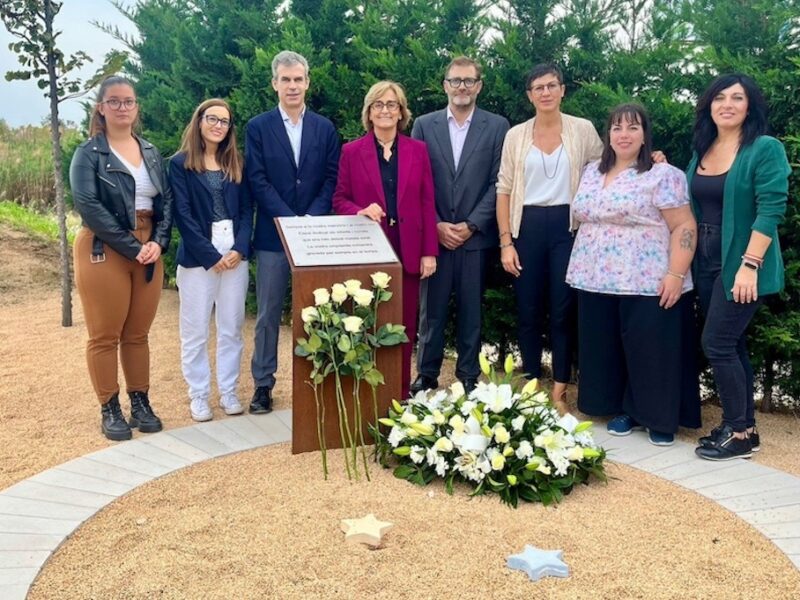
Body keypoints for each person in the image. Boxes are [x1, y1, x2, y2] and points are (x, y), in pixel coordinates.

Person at [565, 103, 700, 446]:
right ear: (608, 135)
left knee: (650, 347)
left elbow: (684, 224)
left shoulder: (663, 174)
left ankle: (656, 416)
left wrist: (676, 272)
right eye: (617, 128)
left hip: (647, 276)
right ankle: (620, 408)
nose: (624, 135)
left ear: (645, 135)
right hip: (594, 276)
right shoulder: (591, 171)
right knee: (608, 346)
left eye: (632, 128)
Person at [690, 74, 790, 461]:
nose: (727, 104)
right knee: (732, 343)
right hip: (706, 260)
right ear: (709, 105)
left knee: (716, 342)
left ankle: (739, 432)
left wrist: (749, 266)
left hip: (742, 260)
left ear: (750, 107)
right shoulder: (704, 147)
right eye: (720, 97)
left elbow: (771, 209)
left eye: (737, 98)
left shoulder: (764, 148)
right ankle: (743, 425)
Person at [495, 63, 603, 412]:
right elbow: (504, 190)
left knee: (561, 310)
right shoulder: (516, 135)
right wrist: (506, 242)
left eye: (551, 85)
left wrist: (653, 159)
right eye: (538, 87)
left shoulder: (582, 130)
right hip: (525, 226)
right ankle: (529, 384)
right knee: (527, 310)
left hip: (566, 227)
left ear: (562, 90)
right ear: (529, 95)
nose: (545, 92)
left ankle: (559, 388)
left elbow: (607, 168)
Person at [70, 75, 172, 441]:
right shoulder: (88, 154)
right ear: (101, 107)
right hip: (105, 246)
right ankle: (109, 407)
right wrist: (133, 248)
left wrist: (158, 241)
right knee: (104, 334)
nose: (122, 107)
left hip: (149, 246)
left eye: (128, 101)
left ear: (136, 107)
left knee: (138, 333)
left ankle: (140, 401)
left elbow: (166, 201)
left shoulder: (150, 151)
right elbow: (89, 206)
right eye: (114, 101)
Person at [247, 50, 340, 414]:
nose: (292, 86)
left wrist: (310, 220)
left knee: (316, 312)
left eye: (298, 79)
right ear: (274, 84)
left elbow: (332, 177)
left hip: (315, 236)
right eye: (285, 79)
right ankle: (263, 385)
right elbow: (257, 179)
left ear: (307, 82)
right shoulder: (258, 127)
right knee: (269, 313)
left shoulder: (324, 128)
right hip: (273, 236)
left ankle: (317, 380)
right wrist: (289, 221)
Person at [410, 56, 509, 396]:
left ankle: (468, 375)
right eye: (456, 81)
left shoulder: (497, 126)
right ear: (445, 86)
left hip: (475, 238)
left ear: (479, 85)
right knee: (431, 313)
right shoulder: (424, 125)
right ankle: (426, 374)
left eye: (469, 81)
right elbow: (417, 180)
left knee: (471, 312)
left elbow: (499, 181)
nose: (462, 87)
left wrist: (471, 224)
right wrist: (435, 223)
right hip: (433, 238)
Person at [333, 80, 438, 399]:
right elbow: (338, 199)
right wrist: (360, 209)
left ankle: (401, 392)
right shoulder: (351, 151)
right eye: (378, 105)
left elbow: (426, 201)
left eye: (392, 105)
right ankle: (366, 393)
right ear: (369, 111)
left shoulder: (417, 150)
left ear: (401, 112)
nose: (385, 110)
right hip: (370, 248)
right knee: (367, 322)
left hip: (408, 250)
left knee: (404, 324)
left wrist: (428, 252)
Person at [170, 99, 252, 422]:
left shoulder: (236, 162)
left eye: (225, 121)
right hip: (197, 257)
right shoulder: (180, 164)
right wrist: (209, 255)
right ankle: (199, 395)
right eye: (212, 119)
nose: (218, 125)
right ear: (200, 121)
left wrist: (239, 248)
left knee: (232, 327)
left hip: (234, 253)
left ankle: (229, 391)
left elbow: (247, 210)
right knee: (195, 330)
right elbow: (183, 214)